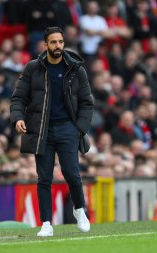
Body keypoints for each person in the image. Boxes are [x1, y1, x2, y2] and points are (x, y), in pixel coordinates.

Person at [10, 26, 94, 237]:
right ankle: (46, 223)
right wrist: (18, 117)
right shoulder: (33, 68)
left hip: (68, 128)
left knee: (72, 175)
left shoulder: (76, 69)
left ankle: (79, 210)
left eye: (60, 42)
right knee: (44, 178)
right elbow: (19, 97)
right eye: (53, 42)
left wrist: (79, 128)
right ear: (45, 45)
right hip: (42, 130)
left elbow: (87, 102)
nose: (58, 46)